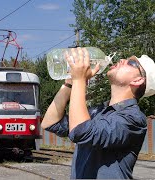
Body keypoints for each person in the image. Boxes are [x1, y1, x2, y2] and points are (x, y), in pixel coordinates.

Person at [41, 47, 155, 179]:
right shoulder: (98, 111)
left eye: (131, 63)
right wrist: (69, 84)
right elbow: (50, 123)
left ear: (138, 80)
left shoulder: (133, 119)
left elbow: (81, 132)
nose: (122, 60)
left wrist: (79, 80)